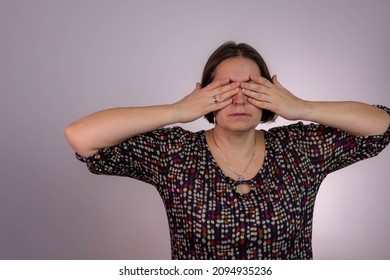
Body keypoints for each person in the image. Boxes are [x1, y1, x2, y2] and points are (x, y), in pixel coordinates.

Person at [65, 41, 390, 259]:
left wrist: (301, 107)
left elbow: (381, 126)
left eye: (251, 88)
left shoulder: (298, 150)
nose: (238, 100)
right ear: (205, 94)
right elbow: (81, 136)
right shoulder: (175, 153)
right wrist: (177, 110)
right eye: (224, 89)